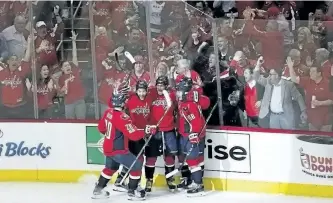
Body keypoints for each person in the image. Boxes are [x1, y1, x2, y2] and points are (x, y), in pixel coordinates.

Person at [92, 87, 157, 201]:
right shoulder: (122, 117)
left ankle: (98, 190)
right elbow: (134, 135)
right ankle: (133, 191)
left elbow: (101, 128)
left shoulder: (108, 112)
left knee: (110, 168)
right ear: (122, 103)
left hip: (108, 147)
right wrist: (146, 131)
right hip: (118, 149)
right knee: (137, 164)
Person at [113, 80, 153, 192]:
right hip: (132, 133)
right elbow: (116, 105)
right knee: (136, 159)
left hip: (143, 133)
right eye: (139, 91)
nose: (141, 93)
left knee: (137, 159)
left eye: (143, 91)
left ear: (146, 91)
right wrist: (117, 92)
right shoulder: (130, 100)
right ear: (136, 91)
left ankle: (121, 180)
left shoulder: (149, 99)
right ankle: (134, 183)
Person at [176, 77, 210, 196]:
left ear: (185, 91)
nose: (178, 93)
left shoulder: (189, 104)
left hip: (191, 134)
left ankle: (198, 184)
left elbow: (195, 121)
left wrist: (194, 134)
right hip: (194, 134)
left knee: (192, 159)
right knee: (198, 159)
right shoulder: (188, 99)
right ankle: (196, 182)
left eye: (179, 90)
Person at [144, 76, 178, 192]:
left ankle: (170, 178)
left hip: (168, 129)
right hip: (155, 130)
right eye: (158, 85)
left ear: (166, 86)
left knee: (169, 157)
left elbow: (177, 105)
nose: (159, 87)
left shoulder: (171, 95)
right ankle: (149, 180)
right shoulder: (152, 93)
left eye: (162, 85)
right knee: (151, 157)